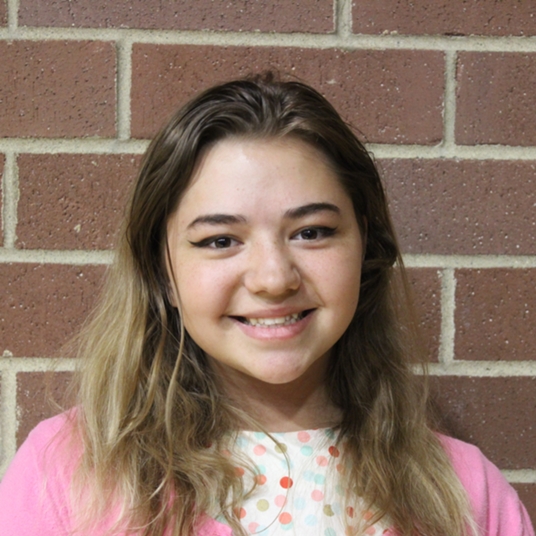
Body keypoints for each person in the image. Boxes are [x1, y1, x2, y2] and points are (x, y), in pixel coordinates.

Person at [0, 74, 533, 536]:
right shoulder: (68, 472)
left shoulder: (463, 491)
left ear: (364, 245)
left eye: (312, 232)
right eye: (219, 240)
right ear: (162, 268)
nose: (274, 278)